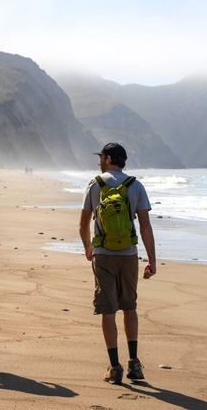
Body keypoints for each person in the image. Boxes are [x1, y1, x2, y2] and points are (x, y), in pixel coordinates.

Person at [79, 142, 157, 384]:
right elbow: (145, 226)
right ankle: (134, 363)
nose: (99, 160)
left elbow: (83, 224)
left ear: (109, 158)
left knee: (108, 309)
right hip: (128, 254)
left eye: (101, 157)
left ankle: (114, 367)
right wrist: (152, 260)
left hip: (103, 254)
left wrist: (88, 248)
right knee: (130, 307)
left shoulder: (95, 184)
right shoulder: (136, 186)